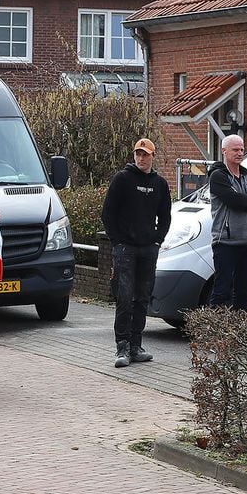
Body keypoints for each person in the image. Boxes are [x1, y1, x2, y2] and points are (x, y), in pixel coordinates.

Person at [101, 138, 171, 368]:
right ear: (133, 155)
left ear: (153, 156)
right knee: (125, 298)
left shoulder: (160, 184)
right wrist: (117, 242)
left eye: (145, 155)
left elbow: (166, 216)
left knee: (142, 298)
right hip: (126, 249)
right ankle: (122, 347)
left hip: (148, 249)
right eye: (138, 154)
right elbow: (108, 213)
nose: (141, 158)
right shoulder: (122, 179)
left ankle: (136, 345)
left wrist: (157, 241)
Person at [208, 134, 247, 309]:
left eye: (242, 149)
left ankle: (238, 331)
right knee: (222, 291)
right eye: (235, 149)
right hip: (226, 242)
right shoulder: (218, 176)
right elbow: (232, 200)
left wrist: (246, 201)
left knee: (244, 292)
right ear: (224, 151)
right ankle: (215, 331)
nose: (240, 153)